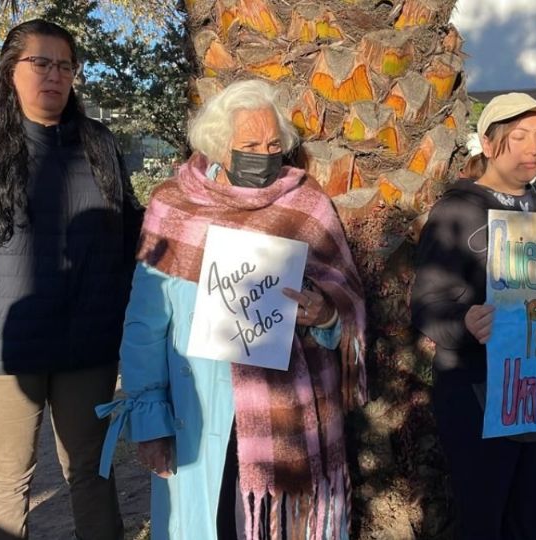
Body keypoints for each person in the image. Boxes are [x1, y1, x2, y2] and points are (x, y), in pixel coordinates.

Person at [96, 79, 367, 540]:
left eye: (272, 144)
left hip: (290, 421)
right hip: (199, 414)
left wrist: (326, 315)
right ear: (220, 146)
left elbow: (346, 298)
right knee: (212, 525)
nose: (263, 154)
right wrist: (150, 420)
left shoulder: (306, 203)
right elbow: (145, 323)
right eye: (249, 145)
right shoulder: (174, 205)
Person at [0, 19, 141, 539]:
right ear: (9, 71)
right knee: (7, 478)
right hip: (3, 349)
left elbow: (130, 234)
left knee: (92, 471)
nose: (55, 75)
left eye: (65, 65)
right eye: (40, 62)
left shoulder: (100, 145)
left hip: (87, 344)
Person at [411, 93, 536, 539]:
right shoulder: (457, 210)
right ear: (487, 141)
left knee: (527, 520)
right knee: (482, 521)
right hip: (477, 395)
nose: (533, 149)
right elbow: (426, 304)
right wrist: (463, 324)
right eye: (518, 137)